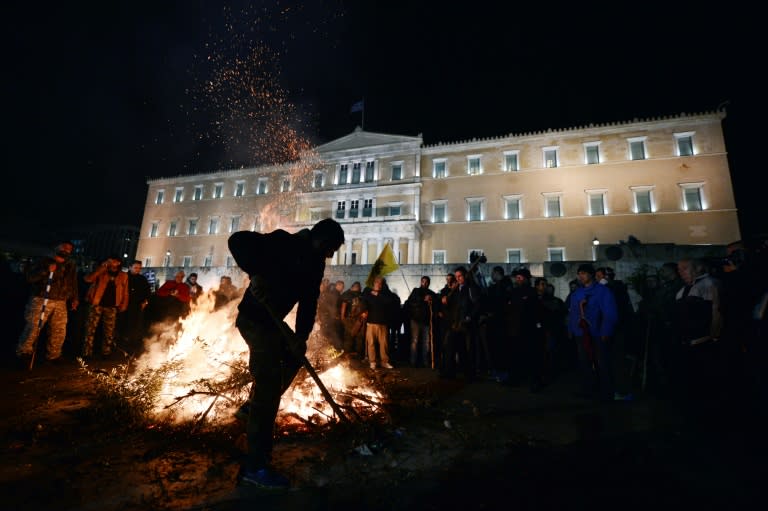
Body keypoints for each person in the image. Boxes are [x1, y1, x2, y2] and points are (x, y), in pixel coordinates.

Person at [228, 218, 344, 490]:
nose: (331, 255)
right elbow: (237, 241)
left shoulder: (316, 264)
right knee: (268, 387)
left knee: (295, 356)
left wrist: (301, 337)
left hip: (274, 324)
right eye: (331, 249)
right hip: (256, 320)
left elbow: (308, 302)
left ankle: (251, 407)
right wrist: (254, 272)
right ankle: (255, 467)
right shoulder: (283, 241)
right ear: (321, 240)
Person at [16, 241, 79, 365]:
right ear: (56, 246)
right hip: (42, 299)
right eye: (64, 247)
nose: (67, 250)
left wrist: (75, 298)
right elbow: (30, 277)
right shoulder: (43, 261)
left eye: (69, 248)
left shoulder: (70, 265)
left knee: (59, 330)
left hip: (61, 301)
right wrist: (46, 270)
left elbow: (73, 282)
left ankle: (54, 355)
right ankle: (24, 352)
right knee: (33, 327)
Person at [567, 263, 618, 401]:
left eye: (583, 273)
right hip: (581, 333)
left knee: (601, 362)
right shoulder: (576, 293)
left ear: (591, 274)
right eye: (579, 273)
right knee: (584, 362)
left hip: (597, 333)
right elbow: (573, 313)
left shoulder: (603, 291)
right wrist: (571, 329)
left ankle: (606, 391)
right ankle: (588, 389)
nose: (581, 276)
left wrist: (606, 331)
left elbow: (610, 313)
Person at [81, 256, 130, 358]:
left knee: (109, 331)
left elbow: (125, 291)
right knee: (90, 329)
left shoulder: (123, 275)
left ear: (119, 263)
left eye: (116, 261)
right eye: (111, 261)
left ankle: (106, 352)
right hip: (96, 304)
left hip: (112, 306)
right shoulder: (101, 271)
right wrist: (101, 269)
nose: (113, 263)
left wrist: (124, 304)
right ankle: (87, 352)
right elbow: (88, 279)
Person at [360, 276, 397, 370]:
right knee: (371, 343)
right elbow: (363, 302)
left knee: (384, 344)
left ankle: (384, 361)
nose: (379, 284)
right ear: (374, 283)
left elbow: (390, 301)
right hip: (371, 322)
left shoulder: (385, 293)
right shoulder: (368, 293)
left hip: (383, 322)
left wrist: (377, 294)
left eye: (381, 283)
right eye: (377, 282)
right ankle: (372, 362)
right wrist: (364, 311)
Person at [118, 260, 151, 348]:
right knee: (123, 324)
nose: (138, 270)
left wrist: (145, 301)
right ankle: (120, 342)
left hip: (137, 305)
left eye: (139, 268)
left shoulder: (142, 279)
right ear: (130, 267)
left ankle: (132, 344)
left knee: (135, 325)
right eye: (135, 268)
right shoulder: (124, 277)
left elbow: (147, 292)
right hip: (125, 304)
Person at [405, 276, 436, 367]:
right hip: (416, 320)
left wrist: (431, 300)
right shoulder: (416, 291)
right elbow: (410, 302)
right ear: (421, 282)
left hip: (426, 321)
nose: (425, 283)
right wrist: (423, 300)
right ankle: (413, 361)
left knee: (426, 342)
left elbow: (435, 304)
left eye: (427, 282)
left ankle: (425, 361)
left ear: (429, 283)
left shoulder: (431, 293)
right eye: (423, 282)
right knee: (415, 341)